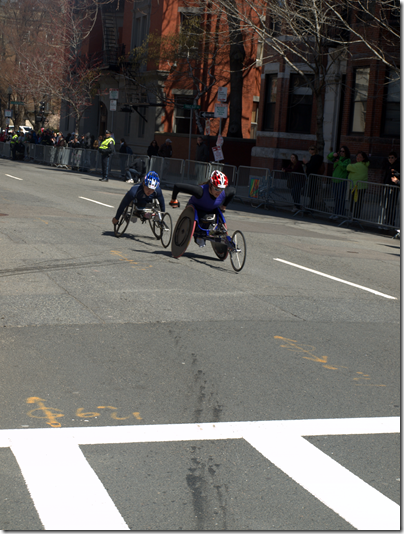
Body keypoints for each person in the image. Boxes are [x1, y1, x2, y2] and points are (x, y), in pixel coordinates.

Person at [169, 170, 235, 247]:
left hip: (210, 211)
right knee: (204, 217)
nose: (219, 192)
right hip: (196, 210)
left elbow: (233, 191)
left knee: (212, 217)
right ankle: (198, 234)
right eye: (217, 189)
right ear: (210, 185)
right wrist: (174, 200)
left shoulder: (224, 193)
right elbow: (177, 186)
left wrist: (224, 206)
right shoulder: (200, 191)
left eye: (222, 189)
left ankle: (212, 230)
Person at [327, 146, 351, 219]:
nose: (341, 153)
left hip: (342, 181)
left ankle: (340, 213)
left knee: (340, 198)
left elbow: (344, 168)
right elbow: (328, 157)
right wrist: (333, 154)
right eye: (340, 151)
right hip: (335, 180)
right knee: (336, 198)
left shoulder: (347, 160)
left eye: (343, 151)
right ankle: (336, 212)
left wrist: (339, 162)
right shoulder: (338, 157)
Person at [347, 151, 369, 219]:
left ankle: (355, 216)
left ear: (363, 158)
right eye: (357, 156)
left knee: (355, 202)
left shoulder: (360, 165)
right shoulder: (364, 165)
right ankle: (355, 216)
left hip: (357, 187)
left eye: (360, 157)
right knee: (356, 202)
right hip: (358, 187)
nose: (358, 158)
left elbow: (348, 167)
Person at [382, 151, 400, 227]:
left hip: (394, 188)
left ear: (395, 158)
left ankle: (391, 222)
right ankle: (386, 220)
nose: (390, 159)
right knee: (386, 205)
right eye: (389, 157)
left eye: (392, 157)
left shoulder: (398, 166)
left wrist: (396, 176)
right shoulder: (388, 165)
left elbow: (398, 176)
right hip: (387, 187)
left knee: (392, 206)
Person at [303, 145, 324, 210]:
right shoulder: (314, 157)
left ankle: (311, 207)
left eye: (312, 149)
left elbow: (312, 167)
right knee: (311, 192)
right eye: (309, 149)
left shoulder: (316, 158)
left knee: (312, 191)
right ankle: (310, 205)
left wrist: (306, 163)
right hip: (311, 176)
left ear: (315, 150)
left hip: (313, 177)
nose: (310, 150)